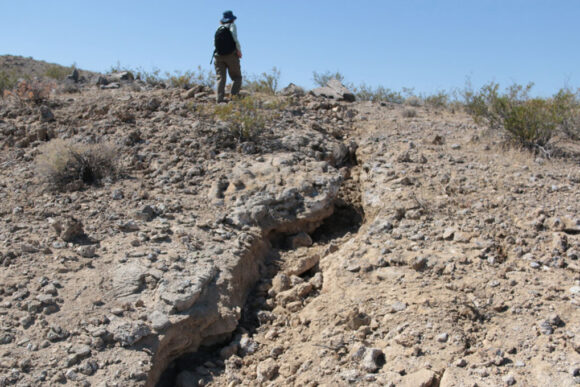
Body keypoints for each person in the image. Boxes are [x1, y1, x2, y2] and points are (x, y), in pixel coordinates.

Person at [213, 10, 242, 103]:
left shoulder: (219, 28)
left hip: (218, 56)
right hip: (231, 55)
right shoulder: (232, 26)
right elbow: (235, 38)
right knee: (237, 77)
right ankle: (233, 99)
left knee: (220, 78)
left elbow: (214, 44)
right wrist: (239, 50)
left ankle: (219, 99)